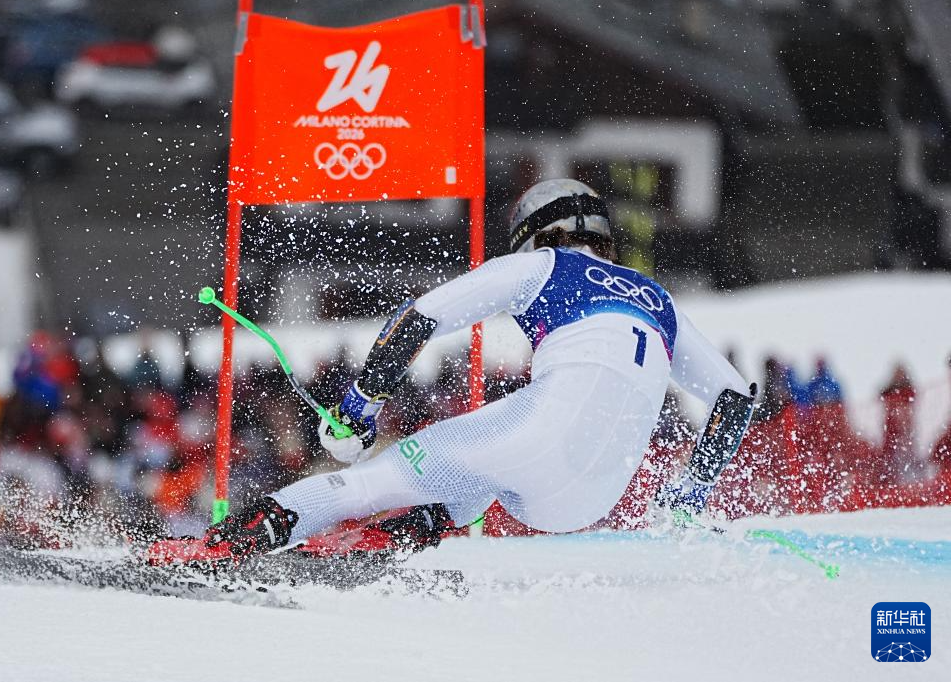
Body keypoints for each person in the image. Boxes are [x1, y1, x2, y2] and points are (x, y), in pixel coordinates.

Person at [200, 180, 756, 562]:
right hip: (594, 496)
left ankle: (226, 545)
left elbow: (418, 318)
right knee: (482, 473)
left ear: (533, 234)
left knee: (371, 479)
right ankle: (401, 537)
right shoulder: (659, 299)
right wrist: (691, 494)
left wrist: (357, 410)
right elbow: (734, 397)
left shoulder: (541, 264)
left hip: (541, 442)